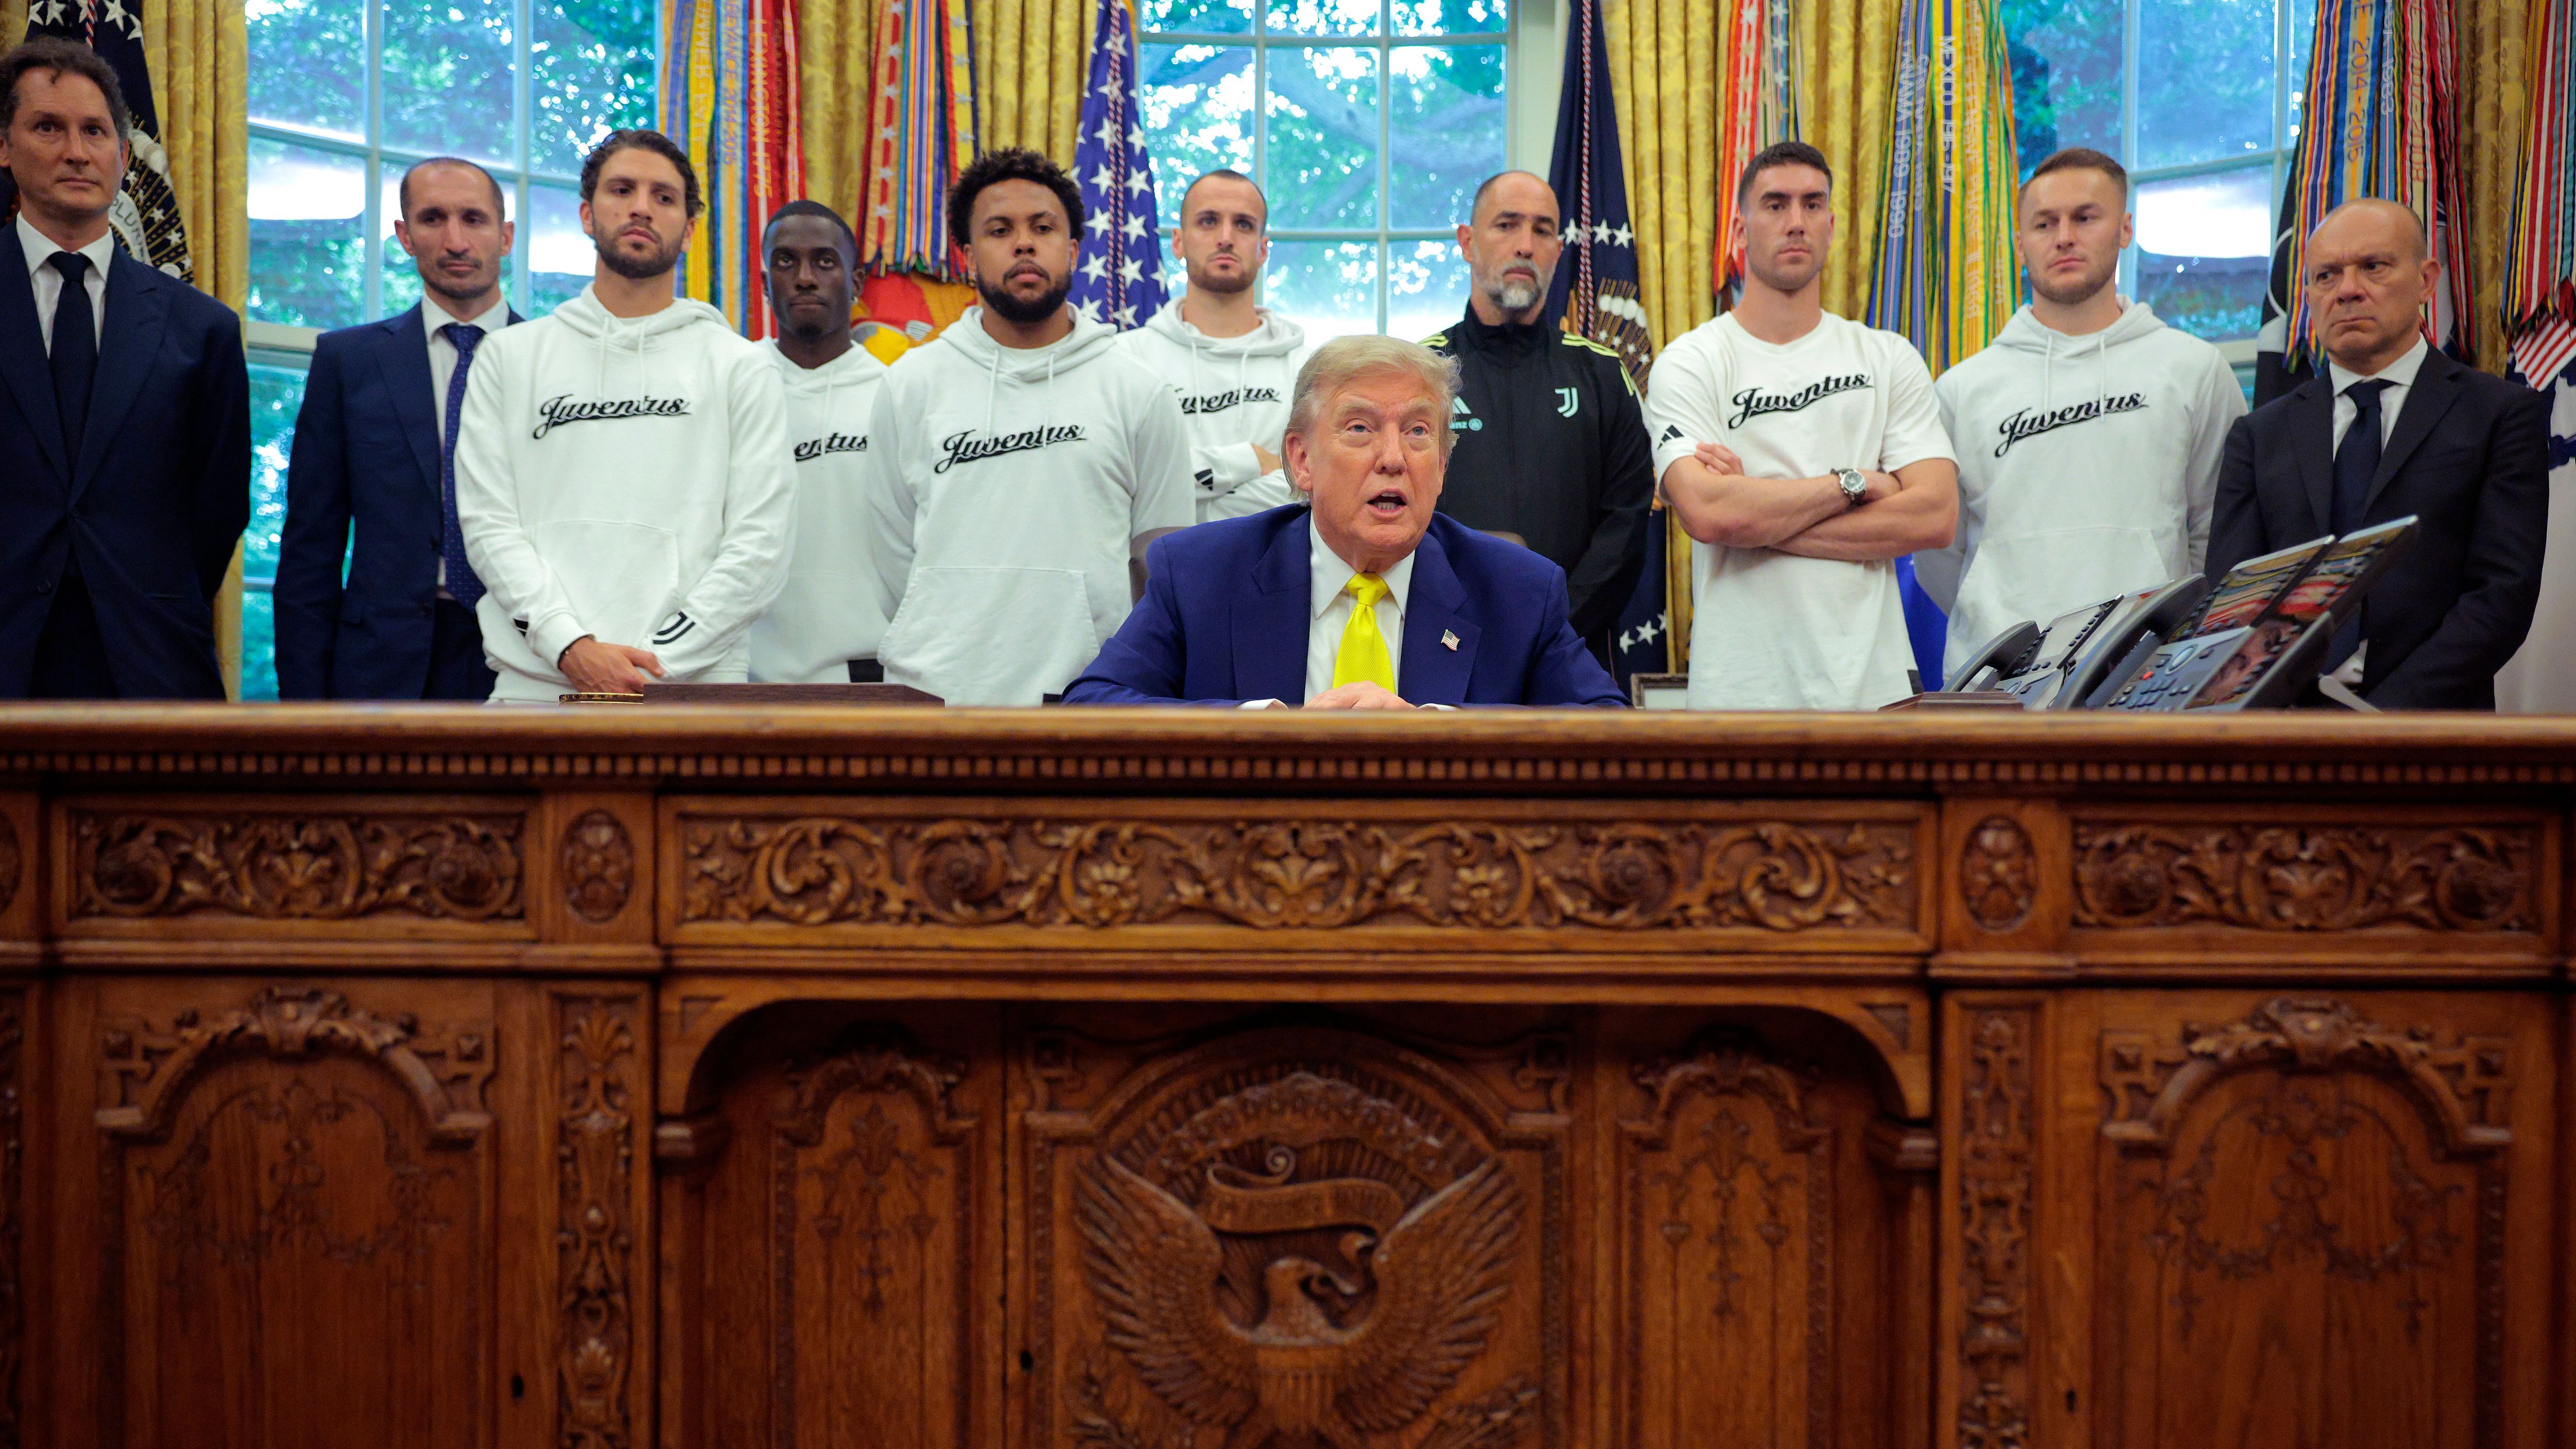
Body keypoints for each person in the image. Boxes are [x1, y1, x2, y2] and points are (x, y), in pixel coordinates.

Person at [1063, 335, 1627, 708]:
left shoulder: (1518, 591)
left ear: (1441, 466)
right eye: (1359, 428)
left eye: (1417, 432)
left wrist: (1438, 734)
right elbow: (1092, 706)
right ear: (1302, 460)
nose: (1393, 457)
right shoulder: (1200, 573)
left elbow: (1608, 732)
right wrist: (1264, 728)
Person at [452, 129, 792, 701]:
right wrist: (571, 645)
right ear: (587, 215)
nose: (640, 206)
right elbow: (488, 527)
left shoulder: (741, 367)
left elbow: (760, 547)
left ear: (688, 232)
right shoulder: (509, 358)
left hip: (692, 690)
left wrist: (647, 666)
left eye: (663, 197)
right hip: (535, 687)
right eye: (622, 190)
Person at [862, 147, 1192, 705]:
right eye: (999, 229)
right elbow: (892, 555)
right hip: (932, 697)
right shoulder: (910, 385)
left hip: (1088, 699)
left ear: (1071, 250)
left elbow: (1159, 565)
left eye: (1042, 227)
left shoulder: (1138, 390)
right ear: (967, 255)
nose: (1023, 243)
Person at [1648, 141, 1958, 711]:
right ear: (1740, 231)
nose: (1795, 222)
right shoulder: (1691, 361)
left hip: (1873, 691)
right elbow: (1709, 512)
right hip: (1738, 693)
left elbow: (1935, 515)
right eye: (1774, 205)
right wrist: (1857, 485)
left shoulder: (1886, 358)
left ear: (1831, 225)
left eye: (1812, 205)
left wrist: (1754, 518)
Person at [2208, 198, 2549, 710]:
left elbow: (2501, 594)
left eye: (2373, 267)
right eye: (2326, 275)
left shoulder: (2498, 414)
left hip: (2436, 737)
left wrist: (2382, 719)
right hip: (2285, 739)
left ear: (2425, 280)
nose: (2347, 290)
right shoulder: (2257, 436)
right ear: (2307, 295)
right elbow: (2232, 607)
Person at [1918, 147, 2245, 678]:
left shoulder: (2192, 369)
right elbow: (1942, 556)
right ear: (2019, 245)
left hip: (2146, 681)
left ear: (2123, 229)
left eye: (2084, 217)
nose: (2063, 236)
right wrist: (1993, 612)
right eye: (2043, 223)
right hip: (1995, 687)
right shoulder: (1960, 391)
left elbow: (2215, 533)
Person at [0, 39, 246, 699]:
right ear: (5, 146)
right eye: (48, 127)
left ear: (122, 153)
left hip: (153, 669)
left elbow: (217, 510)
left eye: (96, 131)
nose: (76, 152)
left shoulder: (205, 330)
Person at [274, 157, 521, 700]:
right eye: (433, 220)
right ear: (405, 236)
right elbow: (309, 551)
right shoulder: (349, 361)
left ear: (505, 236)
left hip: (529, 657)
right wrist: (302, 711)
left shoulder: (554, 362)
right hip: (380, 664)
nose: (455, 240)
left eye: (474, 220)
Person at [1422, 170, 1653, 647]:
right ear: (1467, 242)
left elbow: (1626, 527)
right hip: (1442, 644)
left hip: (1572, 649)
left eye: (1542, 230)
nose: (1525, 245)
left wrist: (1551, 629)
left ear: (1557, 252)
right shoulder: (1418, 373)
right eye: (1506, 225)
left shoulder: (1604, 376)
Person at [747, 199, 895, 684]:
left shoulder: (897, 392)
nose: (805, 277)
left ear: (854, 284)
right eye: (785, 262)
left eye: (825, 262)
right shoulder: (733, 386)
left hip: (870, 674)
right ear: (766, 285)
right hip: (744, 675)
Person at [1114, 168, 1306, 522]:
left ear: (1263, 250)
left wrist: (1182, 501)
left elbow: (1316, 487)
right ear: (1178, 242)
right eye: (1208, 221)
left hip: (1280, 571)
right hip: (1157, 573)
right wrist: (1249, 460)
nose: (1226, 238)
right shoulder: (1124, 359)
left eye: (1244, 225)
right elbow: (1119, 480)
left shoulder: (1307, 366)